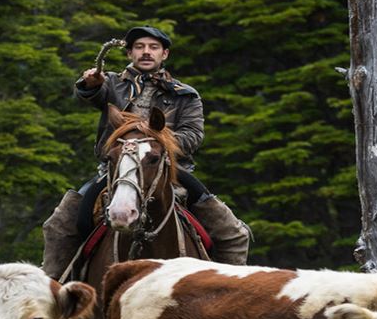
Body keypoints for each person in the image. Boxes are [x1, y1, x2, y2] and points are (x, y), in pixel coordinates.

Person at [41, 25, 250, 278]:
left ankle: (228, 292)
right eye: (139, 47)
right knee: (60, 224)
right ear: (129, 53)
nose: (146, 52)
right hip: (116, 169)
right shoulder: (112, 84)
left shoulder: (185, 95)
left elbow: (194, 135)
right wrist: (89, 85)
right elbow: (90, 94)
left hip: (167, 169)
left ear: (165, 54)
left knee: (232, 232)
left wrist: (156, 143)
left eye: (153, 47)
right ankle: (53, 296)